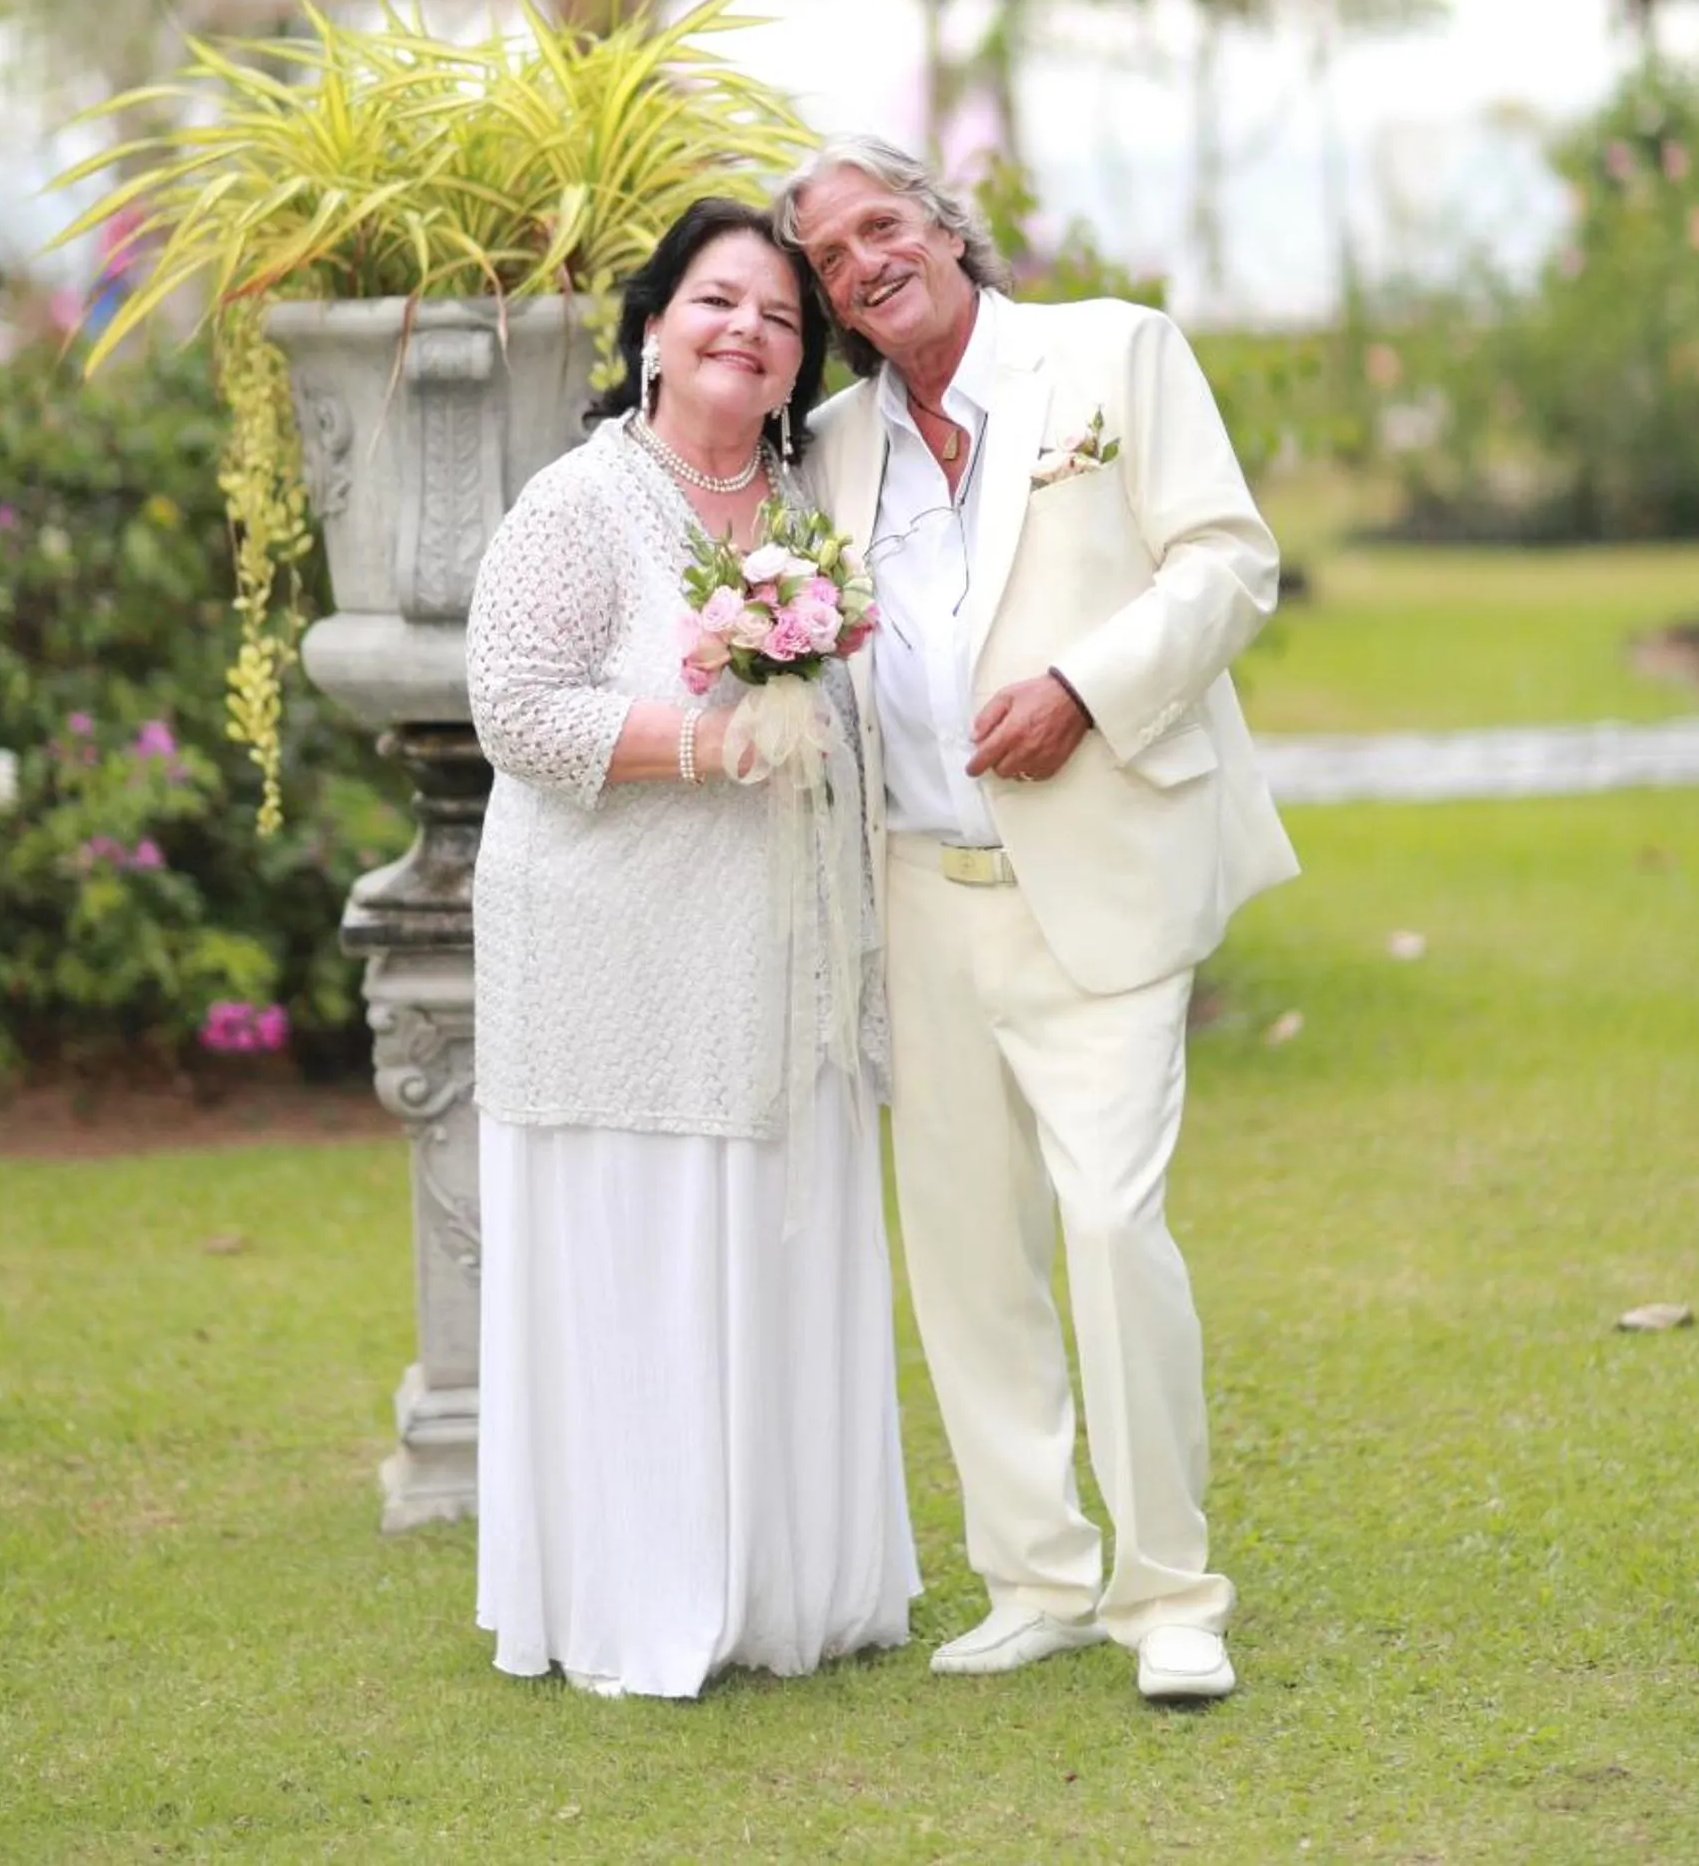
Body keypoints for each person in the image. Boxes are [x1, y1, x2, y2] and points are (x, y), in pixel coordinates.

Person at [778, 139, 1299, 1703]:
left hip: (1106, 875)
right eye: (826, 257)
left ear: (946, 227)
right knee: (963, 1249)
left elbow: (1230, 564)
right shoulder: (830, 444)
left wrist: (1086, 687)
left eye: (881, 225)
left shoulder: (1113, 352)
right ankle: (1034, 1577)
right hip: (916, 891)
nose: (861, 262)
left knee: (1109, 1221)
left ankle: (1169, 1593)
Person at [464, 195, 917, 1700]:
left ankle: (797, 1581)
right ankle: (639, 1593)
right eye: (719, 301)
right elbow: (516, 711)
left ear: (801, 367)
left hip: (780, 963)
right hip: (612, 967)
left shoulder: (812, 518)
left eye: (783, 319)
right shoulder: (578, 502)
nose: (749, 332)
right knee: (647, 1265)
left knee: (778, 1234)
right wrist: (701, 743)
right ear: (653, 327)